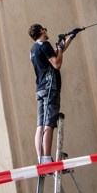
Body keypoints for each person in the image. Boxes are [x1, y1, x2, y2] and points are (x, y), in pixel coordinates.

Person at [29, 23, 75, 162]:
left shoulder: (33, 49)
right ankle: (48, 159)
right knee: (49, 124)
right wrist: (59, 48)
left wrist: (70, 38)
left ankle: (41, 159)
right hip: (51, 87)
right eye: (45, 29)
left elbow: (55, 53)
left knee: (40, 125)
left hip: (41, 89)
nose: (47, 31)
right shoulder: (45, 44)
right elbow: (57, 63)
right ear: (41, 31)